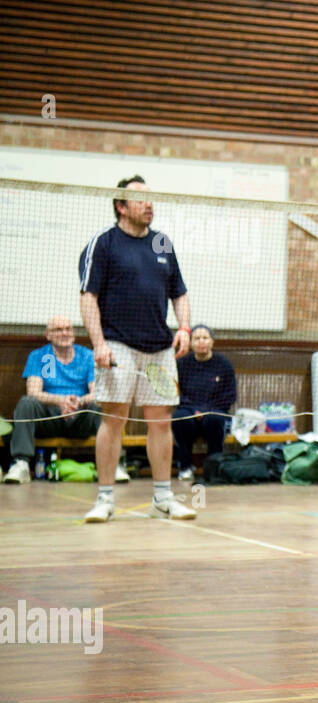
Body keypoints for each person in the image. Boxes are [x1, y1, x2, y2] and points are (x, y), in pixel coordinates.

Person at [78, 175, 197, 522]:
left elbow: (180, 292)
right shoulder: (104, 242)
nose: (150, 204)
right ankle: (104, 499)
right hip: (118, 344)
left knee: (161, 422)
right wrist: (98, 344)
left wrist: (185, 328)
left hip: (159, 348)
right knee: (113, 419)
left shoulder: (162, 244)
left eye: (152, 198)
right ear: (121, 205)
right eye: (141, 198)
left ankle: (162, 498)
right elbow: (88, 297)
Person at [3, 315, 114, 484]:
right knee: (26, 402)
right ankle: (21, 464)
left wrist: (78, 402)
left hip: (80, 415)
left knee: (101, 405)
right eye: (58, 329)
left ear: (74, 333)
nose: (64, 333)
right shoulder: (38, 356)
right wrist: (61, 401)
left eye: (68, 329)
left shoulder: (88, 356)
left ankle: (113, 465)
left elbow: (96, 392)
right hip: (50, 417)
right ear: (48, 335)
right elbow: (34, 391)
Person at [172, 325, 237, 481]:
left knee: (215, 420)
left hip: (215, 411)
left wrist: (206, 410)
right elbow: (177, 393)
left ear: (212, 342)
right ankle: (185, 466)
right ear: (191, 343)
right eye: (197, 338)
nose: (201, 342)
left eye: (205, 338)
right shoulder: (182, 364)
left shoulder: (224, 365)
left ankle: (213, 467)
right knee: (180, 419)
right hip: (189, 410)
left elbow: (229, 396)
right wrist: (194, 410)